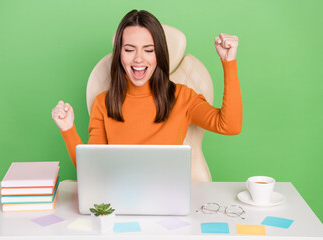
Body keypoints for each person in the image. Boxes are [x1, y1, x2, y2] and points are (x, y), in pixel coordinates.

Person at [51, 9, 242, 176]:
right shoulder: (103, 103)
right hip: (119, 199)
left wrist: (229, 62)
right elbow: (91, 170)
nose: (138, 59)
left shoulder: (183, 97)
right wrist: (68, 129)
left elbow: (230, 126)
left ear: (159, 54)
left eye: (148, 50)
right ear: (119, 54)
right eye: (129, 49)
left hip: (168, 198)